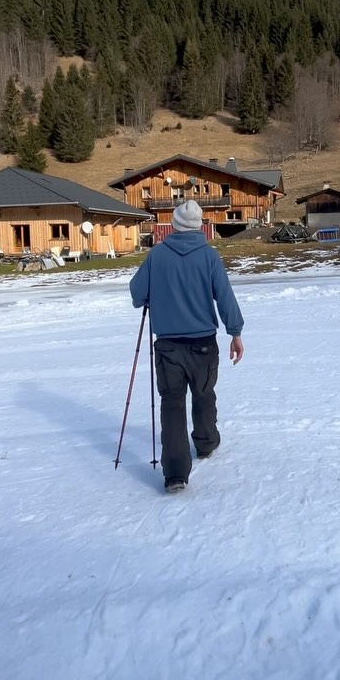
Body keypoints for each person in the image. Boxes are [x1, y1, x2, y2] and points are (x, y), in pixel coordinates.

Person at [129, 199, 244, 494]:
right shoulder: (208, 256)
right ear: (200, 225)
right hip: (203, 343)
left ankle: (176, 474)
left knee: (172, 404)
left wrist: (146, 299)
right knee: (204, 394)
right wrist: (235, 332)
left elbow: (137, 291)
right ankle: (206, 444)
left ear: (175, 225)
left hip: (167, 345)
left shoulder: (157, 255)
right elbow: (225, 297)